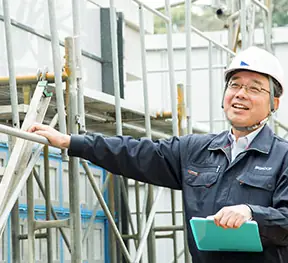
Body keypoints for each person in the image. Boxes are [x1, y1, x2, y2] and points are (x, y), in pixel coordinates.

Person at [28, 46, 288, 263]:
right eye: (235, 85)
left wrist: (251, 213)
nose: (241, 94)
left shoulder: (283, 156)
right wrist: (72, 142)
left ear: (274, 103)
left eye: (255, 88)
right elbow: (133, 152)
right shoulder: (196, 150)